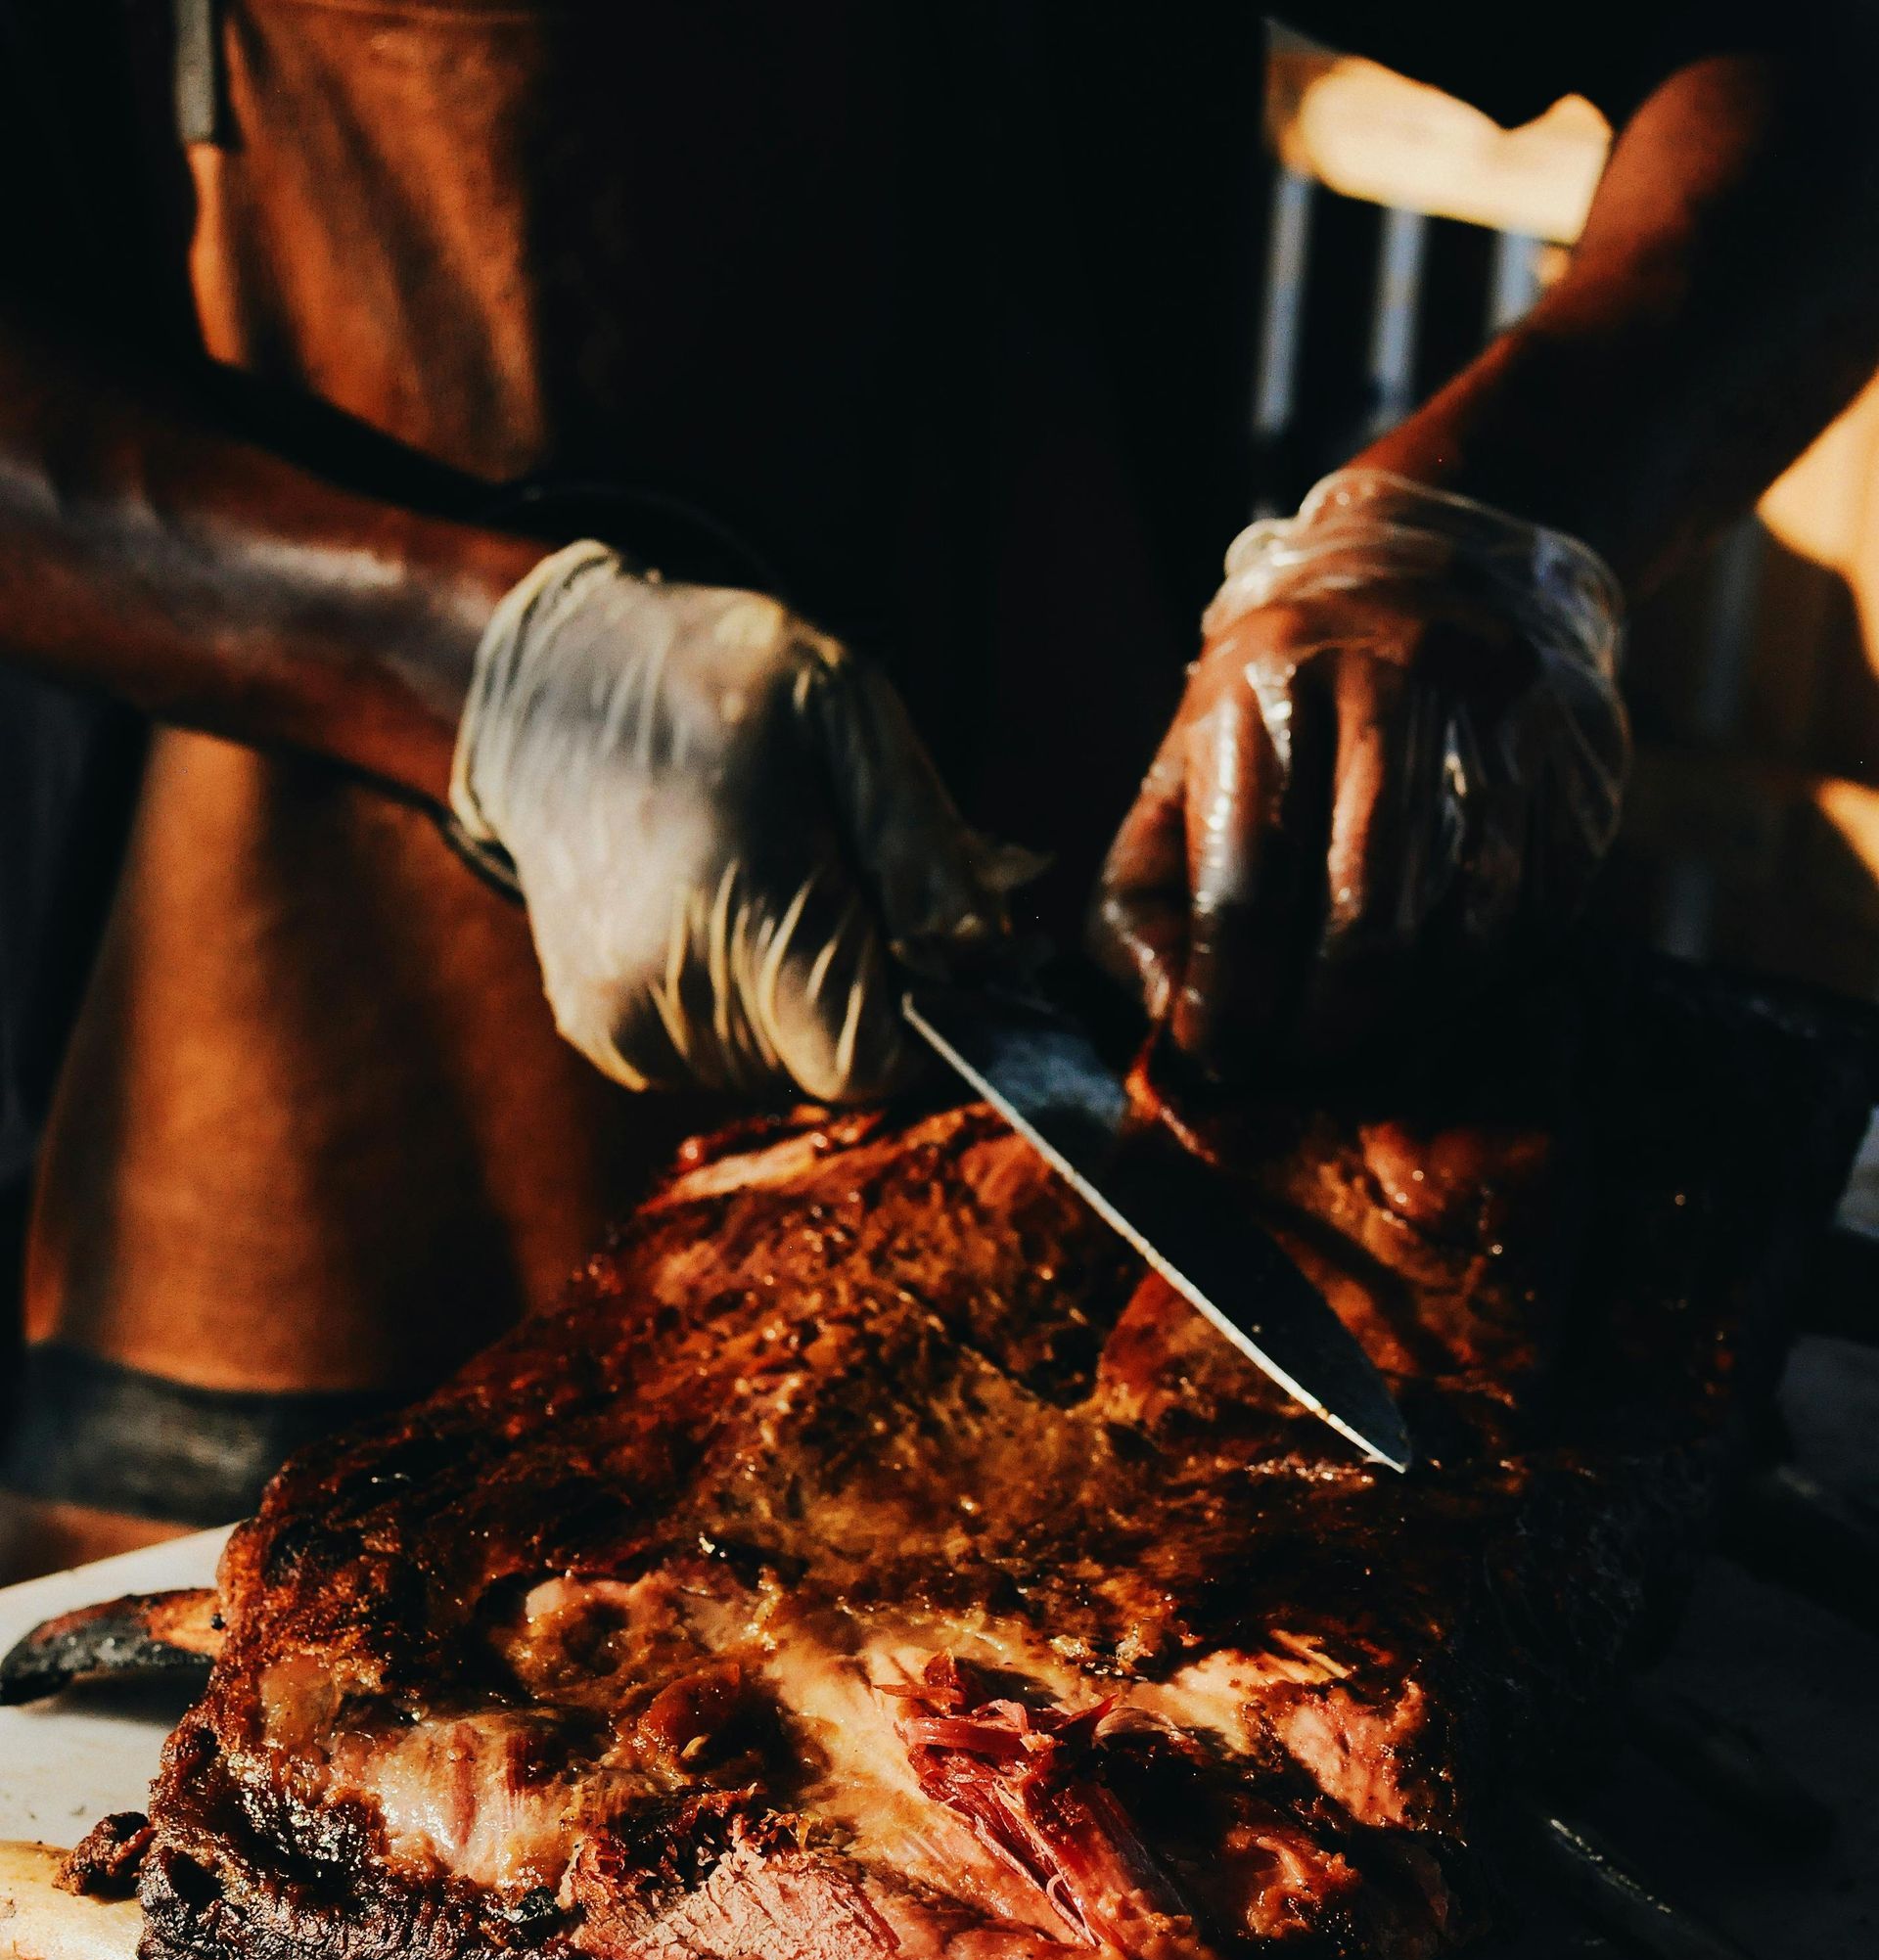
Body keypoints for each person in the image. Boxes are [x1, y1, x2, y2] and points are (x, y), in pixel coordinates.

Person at [0, 4, 1874, 1567]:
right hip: (286, 1154)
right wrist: (473, 667)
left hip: (1099, 1091)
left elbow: (1817, 64)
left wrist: (1487, 516)